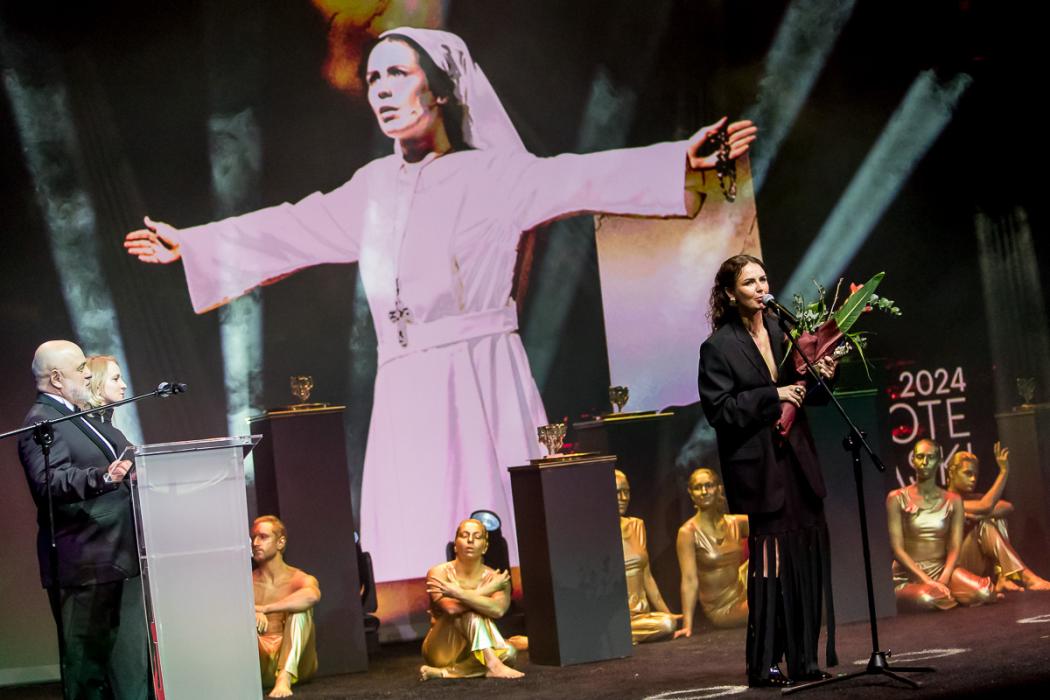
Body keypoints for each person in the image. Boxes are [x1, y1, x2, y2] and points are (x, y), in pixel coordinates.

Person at [123, 27, 757, 583]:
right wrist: (194, 244)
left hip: (479, 369)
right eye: (373, 79)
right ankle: (430, 612)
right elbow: (290, 227)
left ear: (444, 90)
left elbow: (578, 176)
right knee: (416, 513)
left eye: (398, 74)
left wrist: (678, 160)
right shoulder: (372, 188)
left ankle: (509, 603)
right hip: (406, 381)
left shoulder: (495, 175)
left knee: (490, 502)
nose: (381, 90)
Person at [697, 255, 838, 688]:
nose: (761, 288)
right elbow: (720, 410)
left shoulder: (781, 329)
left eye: (763, 279)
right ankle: (764, 663)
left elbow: (805, 393)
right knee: (772, 565)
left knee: (806, 559)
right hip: (761, 465)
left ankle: (805, 659)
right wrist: (772, 395)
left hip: (798, 461)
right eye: (749, 283)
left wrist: (824, 376)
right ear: (730, 293)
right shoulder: (718, 347)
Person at [16, 340, 149, 699]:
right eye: (80, 369)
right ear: (57, 378)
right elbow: (49, 481)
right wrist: (103, 476)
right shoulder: (42, 421)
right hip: (84, 563)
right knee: (86, 672)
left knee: (119, 668)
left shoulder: (74, 417)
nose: (88, 373)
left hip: (112, 556)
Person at [887, 439, 995, 611]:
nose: (925, 462)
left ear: (939, 461)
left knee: (984, 592)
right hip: (908, 574)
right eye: (920, 457)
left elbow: (954, 547)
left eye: (930, 457)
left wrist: (943, 579)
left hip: (942, 569)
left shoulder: (953, 500)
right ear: (913, 460)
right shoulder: (896, 498)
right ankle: (951, 596)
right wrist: (928, 581)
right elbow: (897, 550)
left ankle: (948, 594)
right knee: (927, 598)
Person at [420, 519, 521, 680]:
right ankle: (494, 665)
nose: (470, 540)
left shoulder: (496, 578)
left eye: (477, 536)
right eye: (464, 535)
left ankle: (445, 672)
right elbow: (451, 609)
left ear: (485, 547)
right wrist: (486, 590)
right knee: (469, 612)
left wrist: (458, 593)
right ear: (455, 545)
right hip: (442, 647)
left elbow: (498, 610)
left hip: (475, 649)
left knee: (509, 652)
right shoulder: (438, 573)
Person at [945, 444, 1050, 593]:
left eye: (975, 475)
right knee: (986, 523)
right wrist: (1003, 472)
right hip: (954, 570)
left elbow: (1007, 507)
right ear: (951, 473)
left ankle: (1003, 577)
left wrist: (978, 515)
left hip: (975, 563)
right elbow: (985, 505)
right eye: (967, 473)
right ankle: (1027, 578)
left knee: (995, 518)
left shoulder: (973, 498)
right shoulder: (945, 500)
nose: (973, 479)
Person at [251, 515, 321, 698]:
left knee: (300, 610)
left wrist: (265, 608)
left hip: (297, 666)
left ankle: (284, 677)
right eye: (253, 538)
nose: (255, 543)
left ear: (280, 542)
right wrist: (250, 613)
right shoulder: (246, 582)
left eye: (263, 537)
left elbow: (312, 596)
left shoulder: (298, 578)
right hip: (260, 665)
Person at [674, 468, 748, 637]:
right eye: (698, 487)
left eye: (709, 485)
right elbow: (689, 580)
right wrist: (687, 625)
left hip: (744, 591)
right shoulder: (688, 532)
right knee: (770, 605)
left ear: (719, 488)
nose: (704, 491)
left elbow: (772, 527)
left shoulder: (736, 522)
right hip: (722, 608)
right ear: (691, 493)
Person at [615, 469, 680, 643]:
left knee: (669, 622)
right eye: (617, 492)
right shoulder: (597, 533)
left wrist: (667, 612)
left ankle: (624, 635)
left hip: (641, 615)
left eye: (626, 492)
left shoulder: (636, 525)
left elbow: (647, 576)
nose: (623, 498)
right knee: (667, 624)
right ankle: (617, 634)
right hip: (616, 615)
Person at [86, 354, 128, 423]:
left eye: (121, 378)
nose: (124, 385)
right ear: (96, 385)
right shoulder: (87, 425)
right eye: (115, 379)